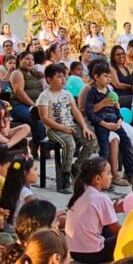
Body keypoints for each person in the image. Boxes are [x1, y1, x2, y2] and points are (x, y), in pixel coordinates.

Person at [38, 63, 98, 192]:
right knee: (69, 143)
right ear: (49, 80)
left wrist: (84, 128)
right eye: (59, 77)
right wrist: (62, 128)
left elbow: (76, 112)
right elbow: (44, 119)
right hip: (54, 129)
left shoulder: (67, 94)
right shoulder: (45, 96)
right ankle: (65, 174)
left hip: (71, 126)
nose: (63, 80)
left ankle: (77, 166)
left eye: (64, 77)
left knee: (91, 140)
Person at [84, 61, 133, 186]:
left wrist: (119, 119)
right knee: (104, 151)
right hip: (102, 124)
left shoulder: (110, 92)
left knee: (127, 143)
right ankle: (102, 177)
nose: (108, 79)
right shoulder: (92, 92)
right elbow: (89, 112)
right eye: (105, 76)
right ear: (96, 77)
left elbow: (117, 109)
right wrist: (104, 124)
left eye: (109, 76)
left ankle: (130, 173)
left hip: (115, 122)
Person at [65, 156, 122, 264]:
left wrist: (112, 210)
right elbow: (118, 231)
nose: (111, 176)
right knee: (129, 236)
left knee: (106, 227)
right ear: (98, 179)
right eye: (109, 173)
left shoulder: (81, 192)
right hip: (93, 254)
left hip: (74, 252)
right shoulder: (101, 198)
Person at [0, 152, 39, 226]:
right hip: (21, 228)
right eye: (35, 169)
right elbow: (37, 215)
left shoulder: (11, 187)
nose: (37, 173)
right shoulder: (27, 194)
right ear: (25, 173)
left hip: (11, 225)